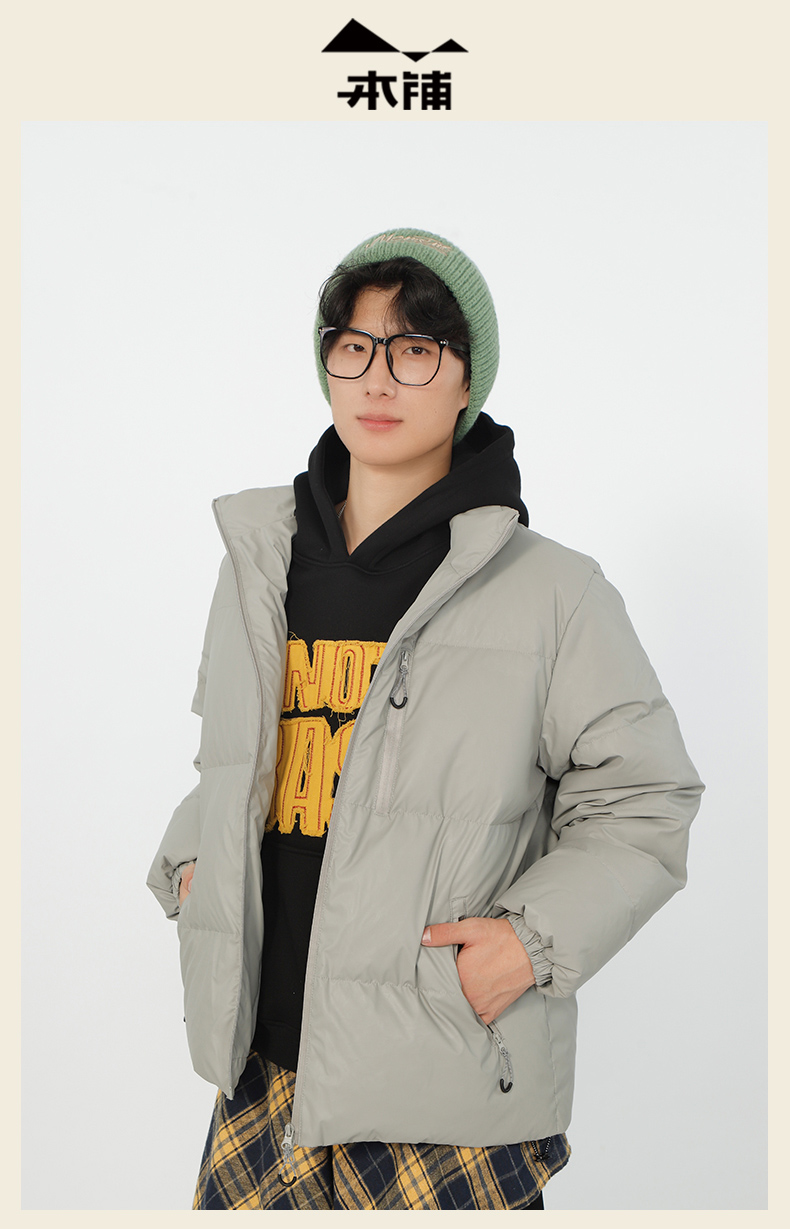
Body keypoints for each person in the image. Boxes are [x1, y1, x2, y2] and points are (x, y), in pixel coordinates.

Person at [147, 227, 704, 1211]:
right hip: (263, 1067)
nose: (377, 375)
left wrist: (528, 942)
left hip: (440, 1080)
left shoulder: (553, 592)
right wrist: (194, 865)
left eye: (413, 348)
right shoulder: (257, 563)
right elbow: (231, 756)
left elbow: (646, 796)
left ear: (466, 381)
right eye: (352, 346)